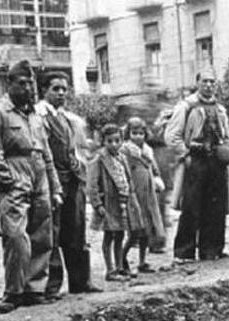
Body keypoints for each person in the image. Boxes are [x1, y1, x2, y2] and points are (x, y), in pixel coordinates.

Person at [0, 60, 63, 314]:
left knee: (42, 232)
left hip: (39, 173)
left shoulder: (34, 115)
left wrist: (55, 186)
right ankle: (13, 291)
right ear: (10, 84)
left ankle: (34, 288)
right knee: (16, 237)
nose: (28, 88)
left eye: (30, 83)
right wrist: (7, 180)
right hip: (15, 173)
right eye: (22, 83)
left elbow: (46, 152)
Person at [35, 71, 101, 300]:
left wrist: (78, 160)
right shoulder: (39, 116)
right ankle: (51, 286)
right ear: (44, 91)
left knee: (77, 229)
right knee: (52, 233)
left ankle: (80, 281)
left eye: (64, 89)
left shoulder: (68, 118)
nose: (61, 93)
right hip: (53, 181)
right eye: (56, 88)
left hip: (73, 179)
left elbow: (79, 147)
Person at [164, 67, 229, 262]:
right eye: (205, 81)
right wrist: (185, 154)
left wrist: (226, 151)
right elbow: (171, 136)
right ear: (197, 83)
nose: (209, 85)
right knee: (192, 207)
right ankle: (184, 252)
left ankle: (212, 250)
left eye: (212, 82)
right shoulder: (186, 106)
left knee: (216, 207)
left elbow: (227, 136)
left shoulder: (220, 109)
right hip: (196, 160)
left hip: (217, 163)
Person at [88, 124, 143, 281]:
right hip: (108, 203)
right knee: (109, 235)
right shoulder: (99, 159)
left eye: (117, 140)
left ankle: (119, 267)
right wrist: (97, 204)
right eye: (109, 141)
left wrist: (131, 199)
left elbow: (127, 179)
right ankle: (110, 270)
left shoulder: (121, 157)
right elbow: (92, 185)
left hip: (122, 202)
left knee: (120, 234)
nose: (114, 144)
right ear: (103, 142)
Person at [120, 117, 166, 275]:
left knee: (147, 228)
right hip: (134, 191)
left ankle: (142, 261)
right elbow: (122, 170)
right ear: (128, 134)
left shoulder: (148, 150)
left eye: (141, 133)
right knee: (135, 230)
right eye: (134, 133)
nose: (138, 136)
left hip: (148, 191)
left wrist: (157, 178)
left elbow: (154, 167)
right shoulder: (125, 150)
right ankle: (121, 259)